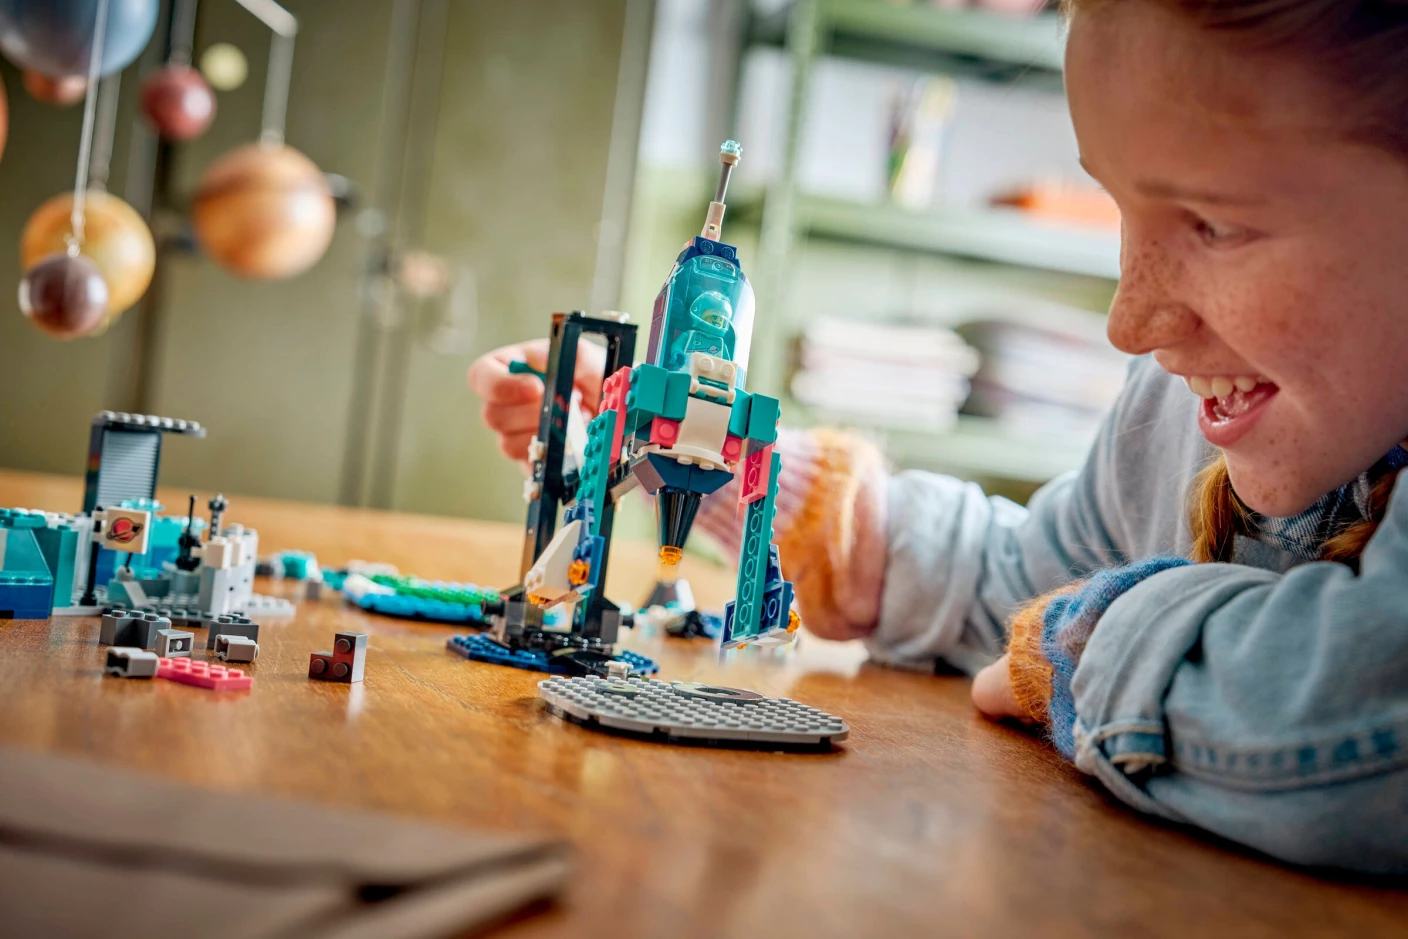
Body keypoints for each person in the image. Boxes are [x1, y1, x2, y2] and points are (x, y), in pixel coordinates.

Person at [469, 0, 1408, 874]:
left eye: (1215, 224)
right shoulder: (1176, 411)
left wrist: (1076, 649)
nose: (1130, 322)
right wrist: (713, 465)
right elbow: (1022, 583)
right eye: (1120, 208)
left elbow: (1364, 712)